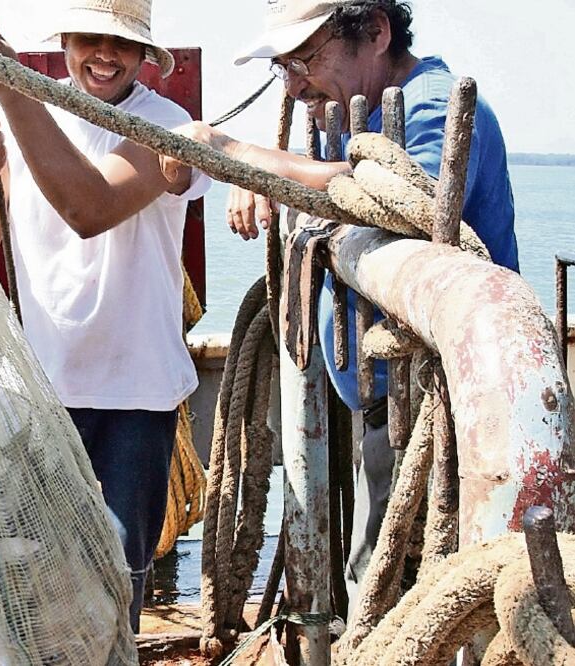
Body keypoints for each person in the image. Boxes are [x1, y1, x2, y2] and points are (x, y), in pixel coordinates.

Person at [163, 0, 518, 610]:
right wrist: (276, 181)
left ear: (377, 31)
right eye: (284, 66)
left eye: (307, 58)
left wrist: (240, 157)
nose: (295, 84)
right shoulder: (358, 114)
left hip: (433, 405)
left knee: (397, 594)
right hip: (381, 400)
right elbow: (342, 185)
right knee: (371, 572)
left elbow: (402, 197)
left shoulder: (432, 105)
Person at [0, 0, 211, 631]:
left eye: (123, 43)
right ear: (64, 39)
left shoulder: (167, 126)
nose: (105, 54)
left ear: (146, 55)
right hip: (38, 392)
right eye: (90, 37)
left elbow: (89, 208)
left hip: (136, 394)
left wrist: (9, 87)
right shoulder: (19, 115)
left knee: (119, 579)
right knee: (19, 575)